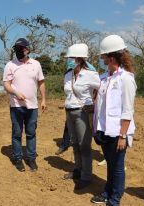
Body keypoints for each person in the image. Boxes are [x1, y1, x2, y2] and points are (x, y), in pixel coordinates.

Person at [91, 35, 137, 206]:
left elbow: (127, 110)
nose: (102, 61)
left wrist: (123, 135)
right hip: (104, 130)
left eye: (103, 58)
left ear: (111, 58)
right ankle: (107, 192)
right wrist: (95, 127)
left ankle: (115, 199)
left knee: (117, 167)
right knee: (110, 164)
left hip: (119, 132)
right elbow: (99, 106)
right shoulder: (103, 78)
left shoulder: (126, 79)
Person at [3, 38, 46, 172]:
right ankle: (18, 158)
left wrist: (44, 99)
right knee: (17, 133)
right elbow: (6, 84)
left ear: (28, 49)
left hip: (32, 106)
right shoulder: (10, 65)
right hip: (16, 106)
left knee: (31, 132)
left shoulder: (36, 64)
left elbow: (41, 82)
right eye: (17, 48)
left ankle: (31, 158)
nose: (19, 51)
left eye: (21, 48)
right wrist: (15, 92)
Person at [62, 43, 100, 190]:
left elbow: (101, 90)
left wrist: (94, 104)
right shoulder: (68, 74)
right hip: (69, 111)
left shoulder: (91, 75)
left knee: (84, 145)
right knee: (75, 143)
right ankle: (77, 170)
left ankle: (86, 176)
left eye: (71, 57)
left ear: (79, 58)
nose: (69, 60)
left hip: (82, 112)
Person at [55, 61, 98, 155]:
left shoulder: (90, 70)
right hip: (71, 107)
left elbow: (97, 87)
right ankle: (65, 145)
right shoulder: (68, 73)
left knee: (87, 134)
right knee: (69, 128)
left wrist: (94, 99)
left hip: (84, 108)